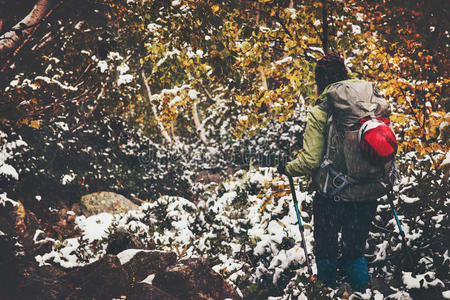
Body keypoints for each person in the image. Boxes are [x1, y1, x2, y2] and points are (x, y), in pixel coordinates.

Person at [278, 54, 378, 291]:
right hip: (368, 191)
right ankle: (362, 293)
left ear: (319, 81)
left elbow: (311, 160)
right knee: (355, 250)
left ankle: (326, 292)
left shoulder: (320, 110)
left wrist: (288, 168)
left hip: (333, 196)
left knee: (325, 248)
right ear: (344, 74)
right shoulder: (366, 104)